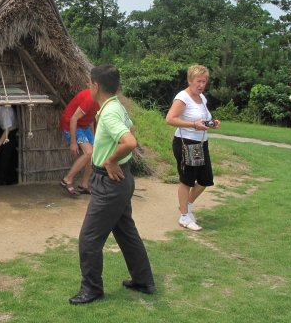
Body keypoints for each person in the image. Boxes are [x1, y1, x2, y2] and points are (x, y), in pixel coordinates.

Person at [69, 64, 155, 305]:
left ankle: (92, 289)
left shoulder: (108, 112)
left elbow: (129, 140)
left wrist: (110, 160)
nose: (88, 86)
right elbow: (130, 128)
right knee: (126, 232)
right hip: (121, 180)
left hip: (110, 183)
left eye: (89, 83)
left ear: (96, 86)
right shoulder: (117, 106)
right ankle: (143, 280)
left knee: (89, 239)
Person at [165, 64, 220, 232]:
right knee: (187, 179)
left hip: (201, 143)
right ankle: (184, 216)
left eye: (204, 81)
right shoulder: (183, 97)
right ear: (190, 80)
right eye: (198, 81)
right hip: (186, 142)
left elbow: (202, 118)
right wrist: (193, 125)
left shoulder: (202, 98)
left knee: (205, 179)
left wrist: (212, 123)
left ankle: (186, 207)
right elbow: (170, 119)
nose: (201, 85)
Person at [59, 89, 100, 196]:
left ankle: (84, 185)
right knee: (89, 152)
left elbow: (91, 118)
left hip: (84, 125)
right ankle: (67, 179)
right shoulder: (91, 98)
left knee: (95, 153)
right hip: (71, 124)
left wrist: (94, 137)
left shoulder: (102, 101)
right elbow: (73, 119)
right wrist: (73, 142)